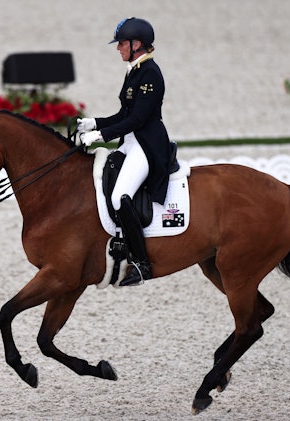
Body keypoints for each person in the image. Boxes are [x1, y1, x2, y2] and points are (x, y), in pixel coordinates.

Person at [77, 17, 174, 287]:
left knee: (121, 196)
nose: (118, 48)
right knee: (103, 181)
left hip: (146, 144)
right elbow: (124, 114)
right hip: (129, 142)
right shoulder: (134, 70)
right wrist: (94, 122)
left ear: (137, 44)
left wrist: (101, 135)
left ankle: (142, 263)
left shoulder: (150, 73)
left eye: (121, 43)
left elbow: (138, 119)